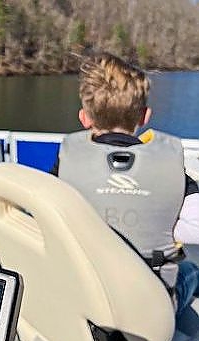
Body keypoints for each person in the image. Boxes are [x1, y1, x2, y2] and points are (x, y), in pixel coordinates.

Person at [54, 52, 199, 320]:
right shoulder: (171, 170)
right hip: (152, 311)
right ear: (145, 116)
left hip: (84, 302)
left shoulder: (64, 165)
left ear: (84, 117)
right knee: (192, 271)